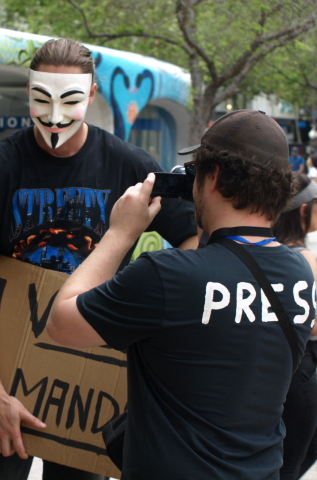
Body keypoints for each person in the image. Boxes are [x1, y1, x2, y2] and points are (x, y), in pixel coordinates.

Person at [0, 38, 198, 480]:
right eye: (42, 99)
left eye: (71, 100)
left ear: (93, 95)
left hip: (86, 383)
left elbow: (194, 240)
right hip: (5, 376)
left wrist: (150, 305)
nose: (55, 116)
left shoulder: (127, 166)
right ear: (28, 92)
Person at [46, 109, 314, 477]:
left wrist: (121, 233)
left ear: (214, 177)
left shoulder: (167, 275)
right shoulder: (302, 274)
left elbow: (61, 321)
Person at [273, 173, 317, 480]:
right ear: (304, 210)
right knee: (293, 462)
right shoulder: (305, 260)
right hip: (304, 374)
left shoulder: (268, 252)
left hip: (273, 373)